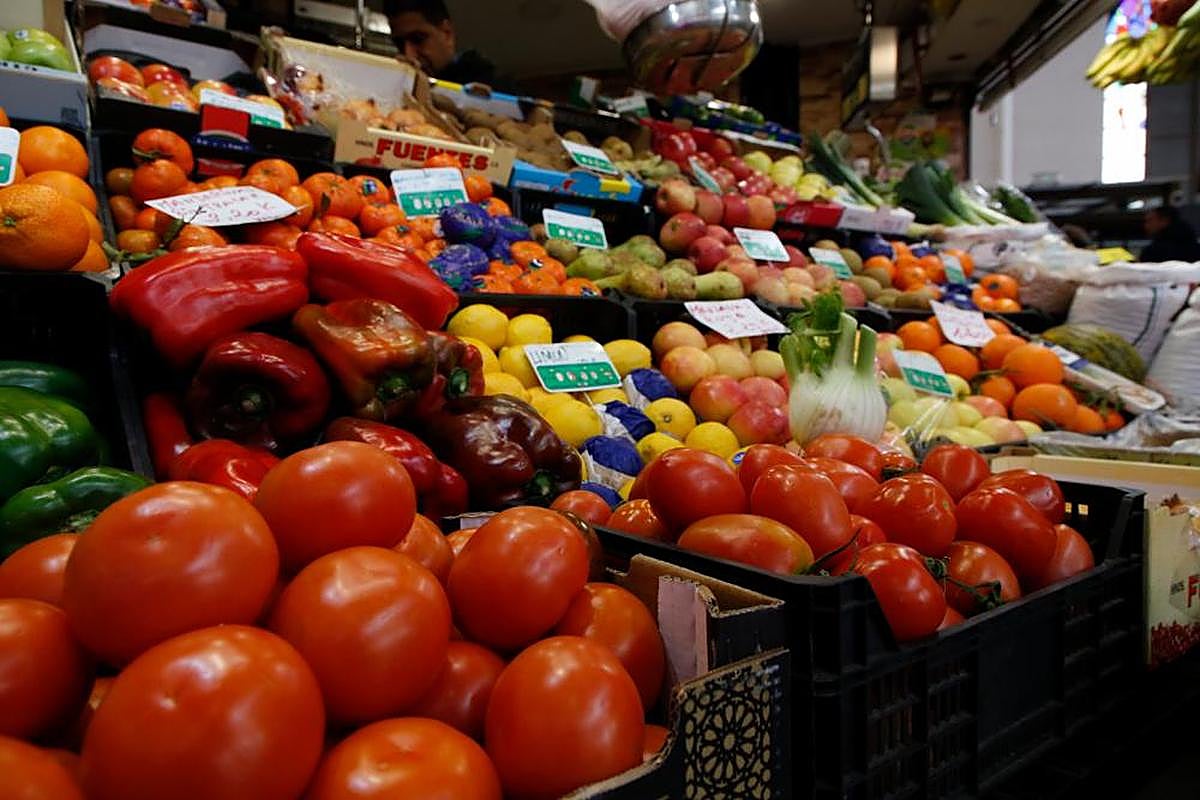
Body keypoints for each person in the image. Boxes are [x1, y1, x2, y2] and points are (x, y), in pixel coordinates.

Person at [385, 0, 519, 93]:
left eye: (418, 39)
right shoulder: (398, 89)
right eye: (399, 44)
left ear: (447, 33)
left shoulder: (498, 89)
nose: (409, 54)